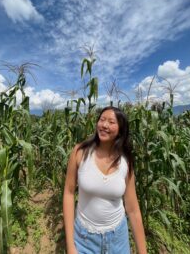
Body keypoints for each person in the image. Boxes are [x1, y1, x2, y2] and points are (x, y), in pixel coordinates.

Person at [63, 106, 147, 254]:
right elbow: (69, 194)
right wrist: (70, 246)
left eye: (111, 122)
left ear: (121, 129)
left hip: (118, 239)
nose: (104, 125)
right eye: (102, 120)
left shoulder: (125, 161)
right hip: (84, 239)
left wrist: (142, 251)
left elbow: (133, 210)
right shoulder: (80, 152)